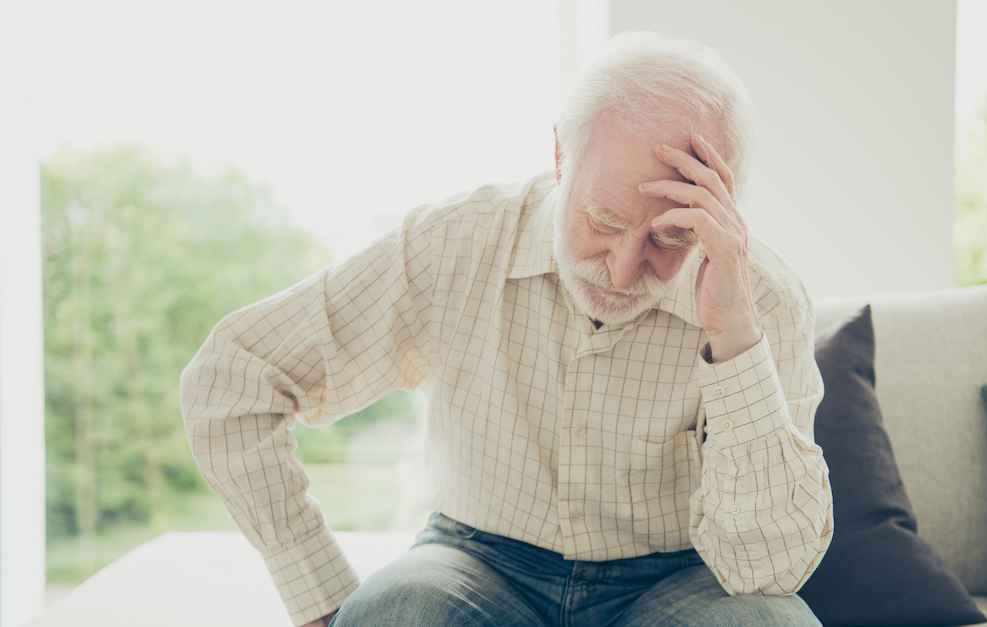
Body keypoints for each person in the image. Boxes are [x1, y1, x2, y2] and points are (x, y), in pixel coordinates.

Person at [181, 31, 832, 627]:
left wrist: (735, 336)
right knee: (398, 613)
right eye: (603, 218)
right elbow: (231, 380)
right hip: (473, 559)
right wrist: (319, 595)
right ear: (558, 157)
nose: (625, 267)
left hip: (682, 578)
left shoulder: (766, 300)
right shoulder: (451, 247)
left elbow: (767, 571)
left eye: (671, 235)